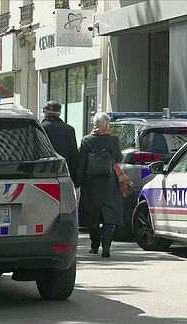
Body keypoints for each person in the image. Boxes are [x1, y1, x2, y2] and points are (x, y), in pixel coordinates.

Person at [76, 112, 125, 258]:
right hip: (109, 184)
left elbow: (81, 164)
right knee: (109, 215)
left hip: (91, 184)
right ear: (106, 125)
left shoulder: (86, 140)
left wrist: (77, 182)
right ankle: (107, 246)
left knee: (93, 216)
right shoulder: (113, 140)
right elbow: (119, 157)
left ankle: (94, 245)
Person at [40, 101, 78, 184]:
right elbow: (74, 156)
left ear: (45, 112)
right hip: (63, 174)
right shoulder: (69, 129)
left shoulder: (40, 129)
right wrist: (75, 180)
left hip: (42, 174)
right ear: (59, 113)